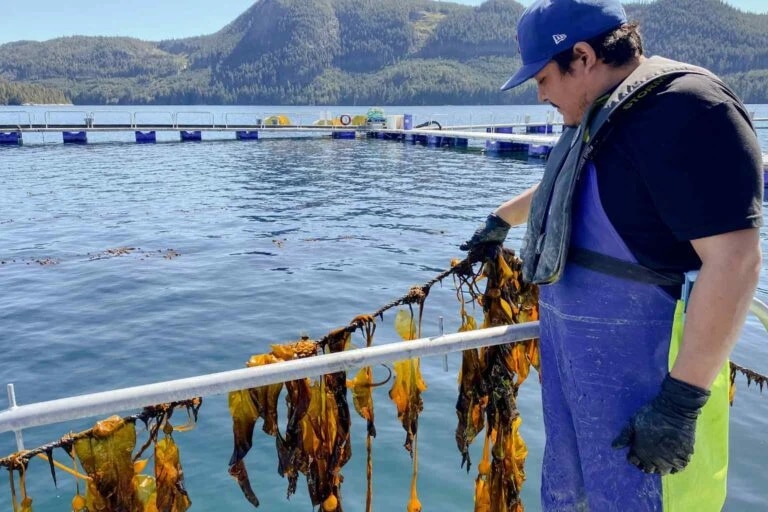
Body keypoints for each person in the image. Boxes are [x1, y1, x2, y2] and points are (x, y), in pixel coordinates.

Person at [460, 0, 763, 510]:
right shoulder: (603, 113)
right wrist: (500, 220)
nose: (539, 95)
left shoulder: (690, 110)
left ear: (581, 57)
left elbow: (736, 261)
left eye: (542, 77)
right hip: (580, 378)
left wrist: (681, 401)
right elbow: (570, 185)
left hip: (647, 385)